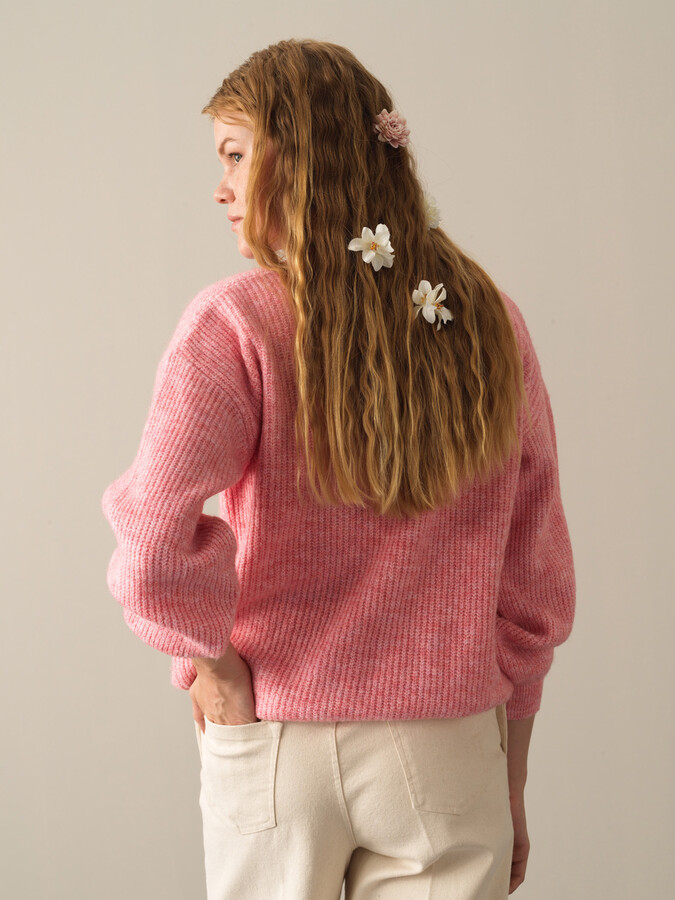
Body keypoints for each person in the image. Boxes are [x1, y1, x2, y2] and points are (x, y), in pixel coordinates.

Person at [101, 38, 576, 900]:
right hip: (448, 749)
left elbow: (148, 550)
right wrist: (509, 777)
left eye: (235, 155)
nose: (220, 188)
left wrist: (213, 668)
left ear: (301, 160)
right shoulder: (487, 321)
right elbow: (532, 575)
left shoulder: (234, 324)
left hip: (274, 736)